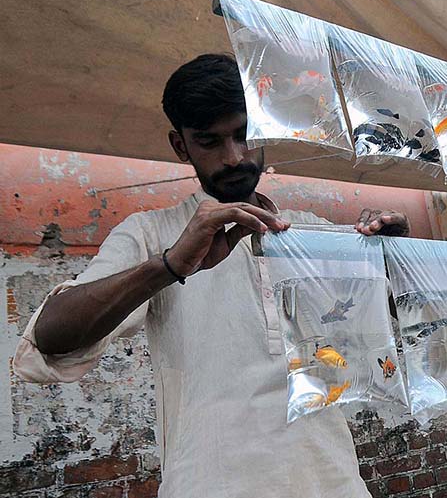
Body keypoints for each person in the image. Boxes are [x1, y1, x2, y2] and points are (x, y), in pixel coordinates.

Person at [12, 54, 412, 498]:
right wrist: (169, 266)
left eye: (244, 135)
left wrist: (394, 258)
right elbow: (48, 340)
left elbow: (386, 326)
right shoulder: (151, 234)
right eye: (210, 142)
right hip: (212, 482)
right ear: (181, 146)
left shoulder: (311, 232)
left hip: (330, 478)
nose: (234, 157)